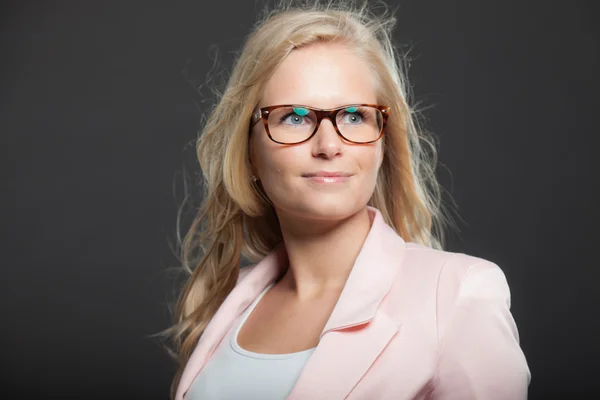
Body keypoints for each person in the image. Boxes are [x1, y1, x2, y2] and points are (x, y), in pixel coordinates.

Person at [161, 1, 531, 399]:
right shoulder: (231, 303)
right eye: (295, 116)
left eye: (354, 115)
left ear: (382, 144)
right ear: (250, 152)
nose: (329, 145)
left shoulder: (459, 296)